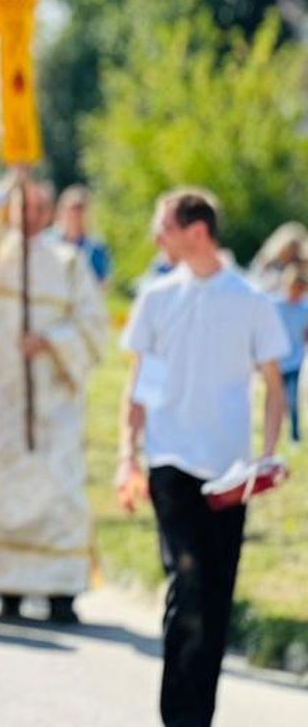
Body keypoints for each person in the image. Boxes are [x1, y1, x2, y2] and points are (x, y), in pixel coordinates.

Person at [117, 189, 291, 727]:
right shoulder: (158, 297)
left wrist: (266, 455)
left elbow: (274, 385)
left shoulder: (251, 301)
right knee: (187, 579)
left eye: (163, 227)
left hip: (229, 470)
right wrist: (128, 456)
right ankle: (177, 716)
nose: (156, 238)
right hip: (170, 460)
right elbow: (136, 384)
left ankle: (199, 717)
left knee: (215, 595)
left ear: (197, 231)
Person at [0, 181, 107, 621]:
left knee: (57, 494)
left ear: (50, 213)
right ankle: (8, 587)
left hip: (50, 402)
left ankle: (60, 592)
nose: (30, 215)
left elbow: (93, 329)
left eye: (38, 207)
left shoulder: (69, 263)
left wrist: (51, 342)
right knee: (0, 491)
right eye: (22, 206)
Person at [271, 265, 307, 445]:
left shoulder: (304, 309)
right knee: (276, 398)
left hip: (295, 360)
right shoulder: (276, 305)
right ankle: (274, 435)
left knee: (292, 398)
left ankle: (294, 435)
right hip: (277, 360)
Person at [52, 184, 112, 286]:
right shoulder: (49, 242)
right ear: (62, 211)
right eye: (72, 209)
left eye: (80, 209)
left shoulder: (96, 248)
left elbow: (103, 280)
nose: (75, 215)